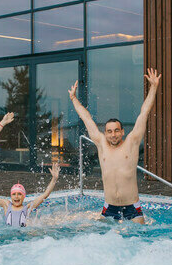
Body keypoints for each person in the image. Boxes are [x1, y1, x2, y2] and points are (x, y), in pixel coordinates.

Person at [69, 68, 161, 224]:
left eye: (117, 131)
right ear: (105, 133)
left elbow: (144, 113)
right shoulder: (101, 145)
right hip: (109, 208)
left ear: (122, 132)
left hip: (132, 208)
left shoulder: (131, 143)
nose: (113, 135)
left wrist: (153, 87)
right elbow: (86, 118)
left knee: (139, 237)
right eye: (109, 131)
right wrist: (73, 99)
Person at [0, 162, 60, 227]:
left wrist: (54, 179)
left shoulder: (28, 208)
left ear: (24, 196)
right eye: (14, 194)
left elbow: (45, 195)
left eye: (19, 194)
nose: (16, 196)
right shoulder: (6, 205)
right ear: (11, 196)